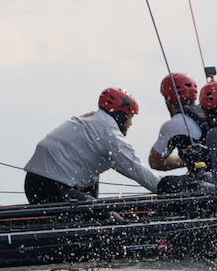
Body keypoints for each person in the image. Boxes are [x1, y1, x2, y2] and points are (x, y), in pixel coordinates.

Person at [23, 87, 159, 203]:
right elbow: (133, 167)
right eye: (130, 117)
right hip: (51, 185)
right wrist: (162, 186)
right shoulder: (109, 132)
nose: (131, 123)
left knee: (96, 200)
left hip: (36, 182)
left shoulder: (93, 121)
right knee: (108, 218)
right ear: (121, 115)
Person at [149, 72, 207, 172]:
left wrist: (186, 161)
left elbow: (155, 162)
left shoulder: (173, 125)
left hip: (205, 178)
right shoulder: (207, 113)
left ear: (168, 99)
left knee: (165, 181)